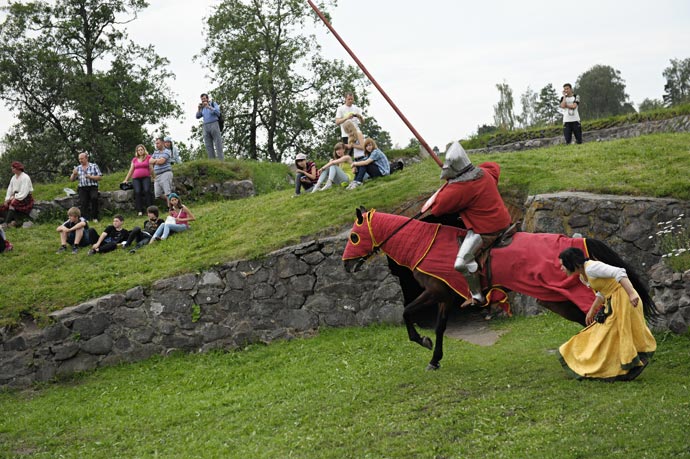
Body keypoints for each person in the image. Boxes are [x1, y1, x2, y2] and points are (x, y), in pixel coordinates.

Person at [422, 141, 512, 304]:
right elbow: (494, 167)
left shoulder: (462, 188)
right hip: (504, 221)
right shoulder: (484, 172)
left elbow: (437, 209)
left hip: (486, 230)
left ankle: (477, 296)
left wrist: (451, 185)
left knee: (462, 263)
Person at [557, 247, 657, 381]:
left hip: (625, 299)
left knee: (618, 332)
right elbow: (603, 290)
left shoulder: (592, 267)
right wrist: (592, 310)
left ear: (571, 262)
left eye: (563, 264)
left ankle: (627, 366)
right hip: (614, 301)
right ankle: (613, 367)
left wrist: (632, 293)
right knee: (606, 333)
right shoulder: (583, 276)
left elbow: (619, 272)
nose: (561, 268)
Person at [70, 151, 102, 222]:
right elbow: (71, 180)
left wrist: (90, 177)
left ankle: (95, 217)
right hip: (82, 187)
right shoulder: (77, 168)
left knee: (94, 198)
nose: (80, 160)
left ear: (86, 158)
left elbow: (100, 177)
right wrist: (74, 174)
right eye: (79, 159)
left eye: (82, 159)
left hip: (93, 186)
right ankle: (85, 218)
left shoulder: (94, 166)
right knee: (83, 202)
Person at [0, 161, 34, 228]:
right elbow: (10, 189)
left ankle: (6, 224)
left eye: (13, 168)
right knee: (4, 207)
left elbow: (24, 192)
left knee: (12, 205)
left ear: (18, 169)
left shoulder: (25, 177)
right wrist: (7, 199)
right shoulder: (13, 177)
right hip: (15, 196)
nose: (12, 169)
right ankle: (12, 221)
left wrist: (15, 198)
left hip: (25, 198)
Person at [122, 144, 153, 216]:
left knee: (147, 190)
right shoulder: (134, 159)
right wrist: (126, 179)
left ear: (144, 150)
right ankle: (140, 210)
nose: (140, 151)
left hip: (146, 177)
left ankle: (150, 209)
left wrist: (154, 177)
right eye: (139, 150)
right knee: (137, 192)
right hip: (136, 178)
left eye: (141, 149)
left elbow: (151, 168)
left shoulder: (148, 157)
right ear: (137, 151)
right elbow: (131, 170)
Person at [196, 93, 224, 160]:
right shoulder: (202, 108)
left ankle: (221, 161)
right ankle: (212, 161)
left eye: (204, 98)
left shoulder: (213, 104)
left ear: (207, 99)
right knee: (208, 145)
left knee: (218, 143)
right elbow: (197, 116)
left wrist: (209, 107)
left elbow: (218, 112)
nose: (203, 100)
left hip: (214, 123)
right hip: (206, 126)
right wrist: (199, 108)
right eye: (202, 99)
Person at [150, 137, 173, 210]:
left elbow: (161, 162)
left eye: (158, 143)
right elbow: (150, 161)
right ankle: (174, 200)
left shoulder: (167, 151)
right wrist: (157, 160)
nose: (156, 145)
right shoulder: (155, 152)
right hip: (157, 175)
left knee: (167, 192)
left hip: (165, 173)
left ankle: (170, 208)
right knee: (158, 194)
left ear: (163, 143)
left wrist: (155, 161)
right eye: (156, 143)